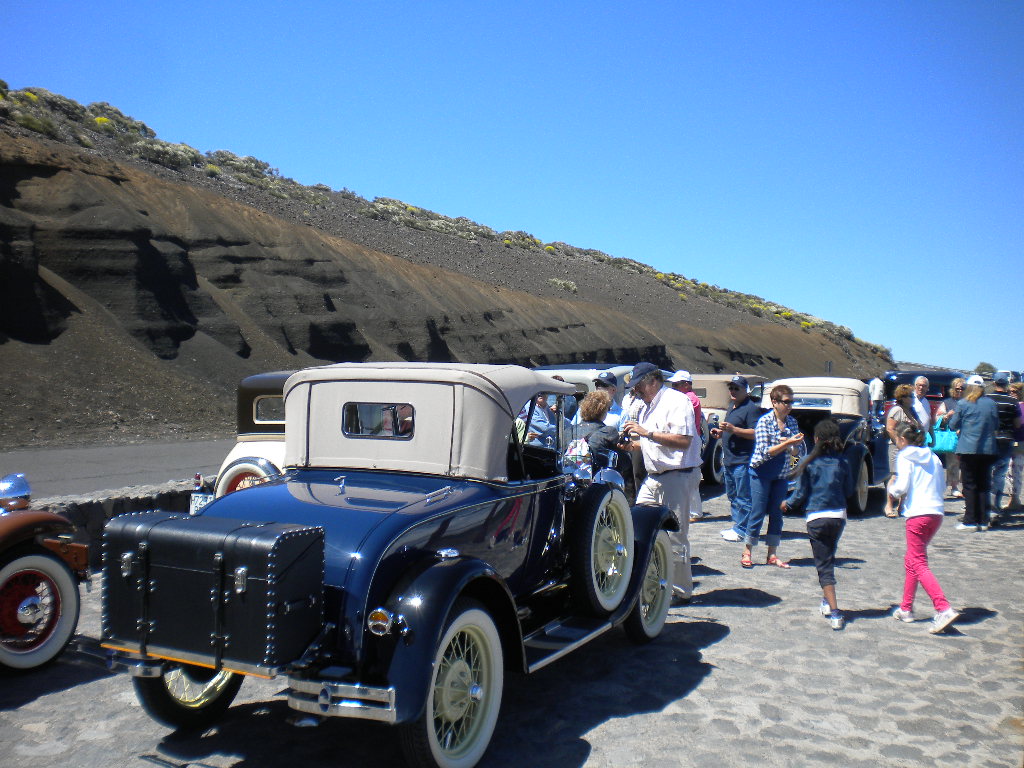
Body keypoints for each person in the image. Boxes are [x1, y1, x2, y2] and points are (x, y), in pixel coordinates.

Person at [619, 362, 701, 603]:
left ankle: (680, 592)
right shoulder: (648, 407)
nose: (636, 391)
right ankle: (649, 582)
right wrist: (629, 446)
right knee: (637, 526)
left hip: (678, 476)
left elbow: (683, 440)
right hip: (655, 477)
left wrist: (646, 433)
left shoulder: (677, 402)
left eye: (638, 386)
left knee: (675, 535)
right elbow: (650, 445)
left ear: (653, 381)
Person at [887, 421, 960, 634]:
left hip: (918, 513)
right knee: (912, 560)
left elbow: (901, 487)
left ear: (901, 440)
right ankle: (906, 608)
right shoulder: (934, 457)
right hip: (935, 512)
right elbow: (941, 485)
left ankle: (943, 607)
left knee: (918, 562)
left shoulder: (904, 456)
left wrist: (891, 489)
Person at [780, 418, 853, 631]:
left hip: (817, 517)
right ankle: (825, 601)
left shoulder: (808, 462)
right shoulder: (843, 462)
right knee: (829, 557)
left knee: (824, 566)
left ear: (817, 438)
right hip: (839, 516)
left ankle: (836, 611)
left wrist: (787, 504)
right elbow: (849, 490)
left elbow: (800, 494)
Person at [739, 383, 805, 569]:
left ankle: (772, 554)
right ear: (774, 402)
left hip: (781, 473)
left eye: (792, 402)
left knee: (777, 513)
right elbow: (765, 451)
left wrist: (793, 446)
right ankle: (747, 551)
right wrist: (786, 443)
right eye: (786, 402)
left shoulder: (792, 422)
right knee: (758, 511)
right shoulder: (764, 422)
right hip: (761, 472)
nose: (789, 405)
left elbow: (795, 452)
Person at [712, 375, 761, 542]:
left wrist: (734, 430)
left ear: (745, 391)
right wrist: (721, 432)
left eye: (736, 388)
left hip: (743, 460)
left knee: (744, 497)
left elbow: (755, 433)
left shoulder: (751, 408)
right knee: (732, 495)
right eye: (731, 388)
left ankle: (742, 530)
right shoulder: (732, 405)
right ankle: (737, 525)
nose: (732, 391)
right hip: (729, 459)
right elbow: (730, 428)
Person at [948, 375, 1000, 531]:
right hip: (988, 449)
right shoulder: (991, 404)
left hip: (968, 449)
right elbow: (996, 424)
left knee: (970, 485)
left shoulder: (963, 404)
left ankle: (970, 520)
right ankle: (983, 520)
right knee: (984, 484)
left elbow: (953, 425)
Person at [667, 370, 705, 522]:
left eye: (677, 385)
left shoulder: (690, 399)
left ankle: (695, 512)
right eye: (673, 385)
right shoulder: (685, 398)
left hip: (690, 439)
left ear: (687, 385)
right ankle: (688, 509)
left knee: (691, 474)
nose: (674, 387)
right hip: (686, 437)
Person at [884, 384, 922, 517]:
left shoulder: (912, 411)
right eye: (910, 396)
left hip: (910, 448)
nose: (913, 398)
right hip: (896, 447)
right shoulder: (896, 410)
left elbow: (920, 426)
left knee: (908, 476)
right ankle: (889, 505)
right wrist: (899, 444)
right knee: (895, 476)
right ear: (903, 397)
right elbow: (890, 428)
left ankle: (902, 505)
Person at [986, 376, 1021, 520]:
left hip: (988, 440)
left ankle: (985, 505)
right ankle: (995, 505)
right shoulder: (1013, 402)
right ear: (1006, 385)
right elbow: (1017, 424)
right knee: (1000, 474)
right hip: (1006, 440)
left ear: (994, 383)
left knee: (987, 472)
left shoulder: (987, 399)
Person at [934, 377, 965, 498]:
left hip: (966, 436)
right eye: (957, 388)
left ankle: (964, 486)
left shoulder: (969, 402)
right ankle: (954, 486)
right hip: (952, 436)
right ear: (953, 389)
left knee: (965, 462)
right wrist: (947, 415)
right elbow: (938, 419)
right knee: (953, 462)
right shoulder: (947, 403)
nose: (960, 391)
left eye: (962, 388)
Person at [1007, 382, 1024, 509]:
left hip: (1019, 442)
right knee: (1009, 471)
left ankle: (1015, 498)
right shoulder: (1010, 405)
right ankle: (1013, 498)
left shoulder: (1020, 407)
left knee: (1016, 470)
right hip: (1009, 442)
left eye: (1015, 391)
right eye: (1010, 391)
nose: (1012, 394)